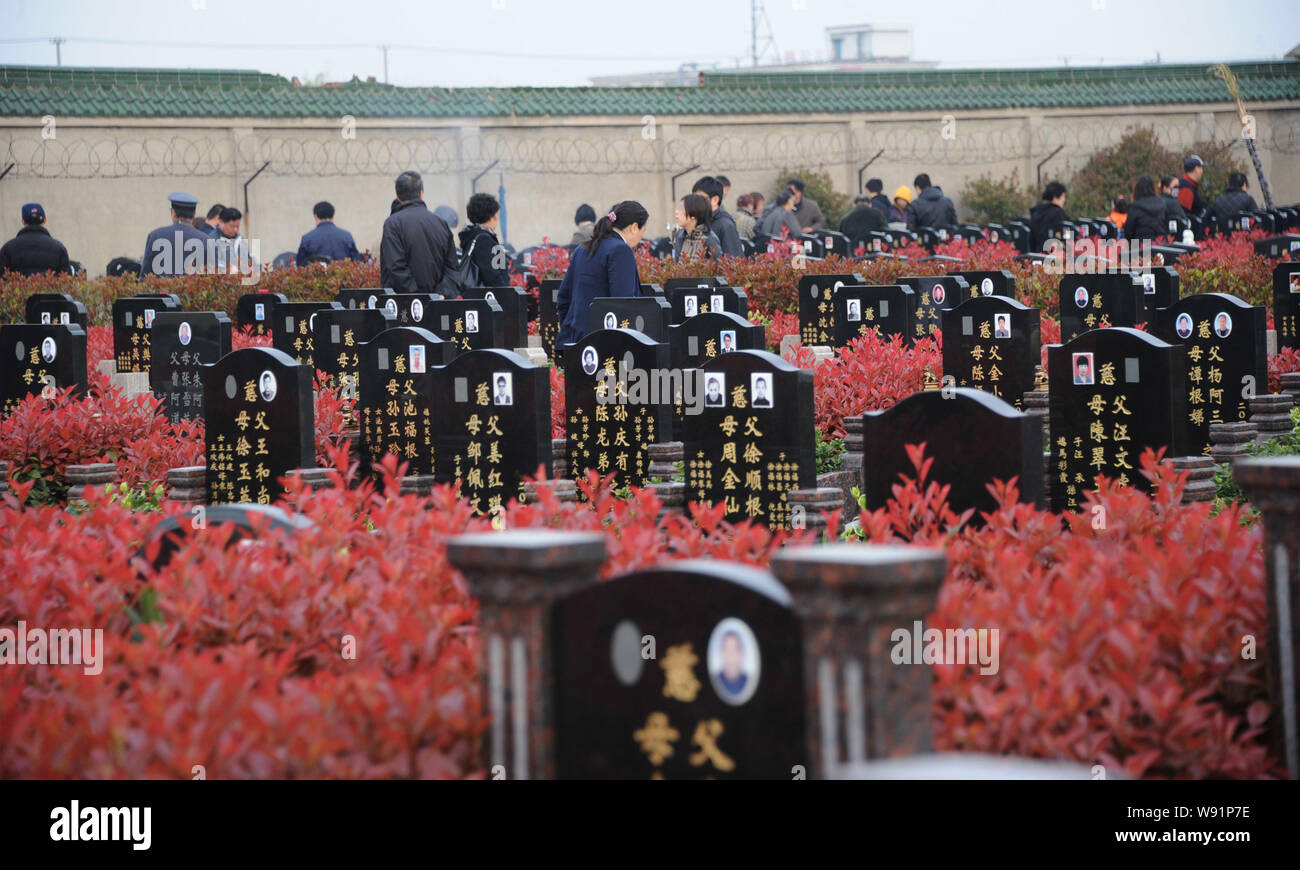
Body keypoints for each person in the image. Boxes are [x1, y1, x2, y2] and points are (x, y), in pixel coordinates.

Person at [555, 201, 648, 353]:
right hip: (606, 344)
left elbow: (563, 298)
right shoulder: (620, 250)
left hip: (576, 341)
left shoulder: (582, 248)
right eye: (643, 230)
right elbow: (623, 304)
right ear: (633, 227)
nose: (641, 238)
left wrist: (570, 331)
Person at [381, 170, 458, 295]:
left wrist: (419, 297)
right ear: (421, 193)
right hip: (439, 306)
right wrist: (440, 294)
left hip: (404, 305)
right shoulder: (441, 223)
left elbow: (395, 268)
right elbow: (452, 268)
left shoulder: (392, 224)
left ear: (398, 197)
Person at [140, 193, 210, 277]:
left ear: (173, 212)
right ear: (194, 214)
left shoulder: (155, 235)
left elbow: (145, 273)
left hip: (160, 289)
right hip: (192, 289)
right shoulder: (206, 239)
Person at [0, 203, 71, 276]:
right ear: (45, 220)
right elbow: (66, 279)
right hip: (49, 287)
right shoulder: (59, 248)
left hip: (17, 287)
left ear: (23, 221)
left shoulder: (8, 248)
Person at [460, 192, 511, 287]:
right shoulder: (484, 240)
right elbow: (493, 276)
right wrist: (506, 293)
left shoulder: (472, 236)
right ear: (491, 216)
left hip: (477, 296)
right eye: (496, 213)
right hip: (489, 297)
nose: (497, 217)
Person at [296, 201, 362, 265]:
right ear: (333, 216)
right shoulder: (347, 236)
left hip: (317, 275)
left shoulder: (307, 238)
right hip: (342, 274)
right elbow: (356, 261)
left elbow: (300, 264)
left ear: (316, 216)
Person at [692, 176, 741, 256]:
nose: (694, 202)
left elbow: (734, 260)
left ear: (715, 200)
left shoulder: (725, 224)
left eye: (699, 198)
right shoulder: (702, 221)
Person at [672, 193, 722, 261]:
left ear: (694, 215)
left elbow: (717, 267)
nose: (676, 212)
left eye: (681, 208)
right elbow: (677, 264)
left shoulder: (709, 238)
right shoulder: (680, 235)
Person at [1123, 175, 1168, 241]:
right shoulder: (1162, 204)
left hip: (1140, 246)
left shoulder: (1134, 207)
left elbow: (1129, 232)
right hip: (1160, 244)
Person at [1029, 180, 1069, 252]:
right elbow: (1067, 235)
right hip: (1053, 255)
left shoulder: (1036, 211)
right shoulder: (1058, 213)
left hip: (1035, 254)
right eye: (1063, 196)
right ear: (1056, 197)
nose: (1064, 200)